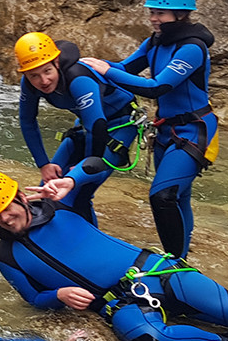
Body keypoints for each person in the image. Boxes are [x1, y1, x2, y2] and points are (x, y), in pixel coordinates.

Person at [0, 170, 228, 341]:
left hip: (158, 273)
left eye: (6, 208)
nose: (4, 218)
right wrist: (58, 295)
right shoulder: (5, 255)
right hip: (121, 305)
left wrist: (73, 179)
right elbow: (33, 298)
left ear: (22, 198)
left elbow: (100, 163)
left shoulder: (62, 204)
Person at [79, 0, 217, 258]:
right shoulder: (155, 42)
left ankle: (175, 265)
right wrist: (86, 66)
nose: (153, 18)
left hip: (193, 129)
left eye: (160, 13)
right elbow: (125, 68)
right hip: (167, 129)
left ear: (181, 14)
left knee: (163, 196)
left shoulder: (192, 47)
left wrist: (106, 70)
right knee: (179, 196)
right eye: (151, 12)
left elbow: (158, 87)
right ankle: (181, 258)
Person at [14, 31, 142, 224]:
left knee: (81, 191)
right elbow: (27, 120)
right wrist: (43, 164)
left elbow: (97, 127)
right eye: (34, 76)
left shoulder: (78, 78)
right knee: (46, 191)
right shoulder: (30, 83)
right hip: (86, 124)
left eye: (47, 71)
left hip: (119, 125)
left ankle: (87, 244)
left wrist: (84, 166)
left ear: (56, 63)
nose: (43, 81)